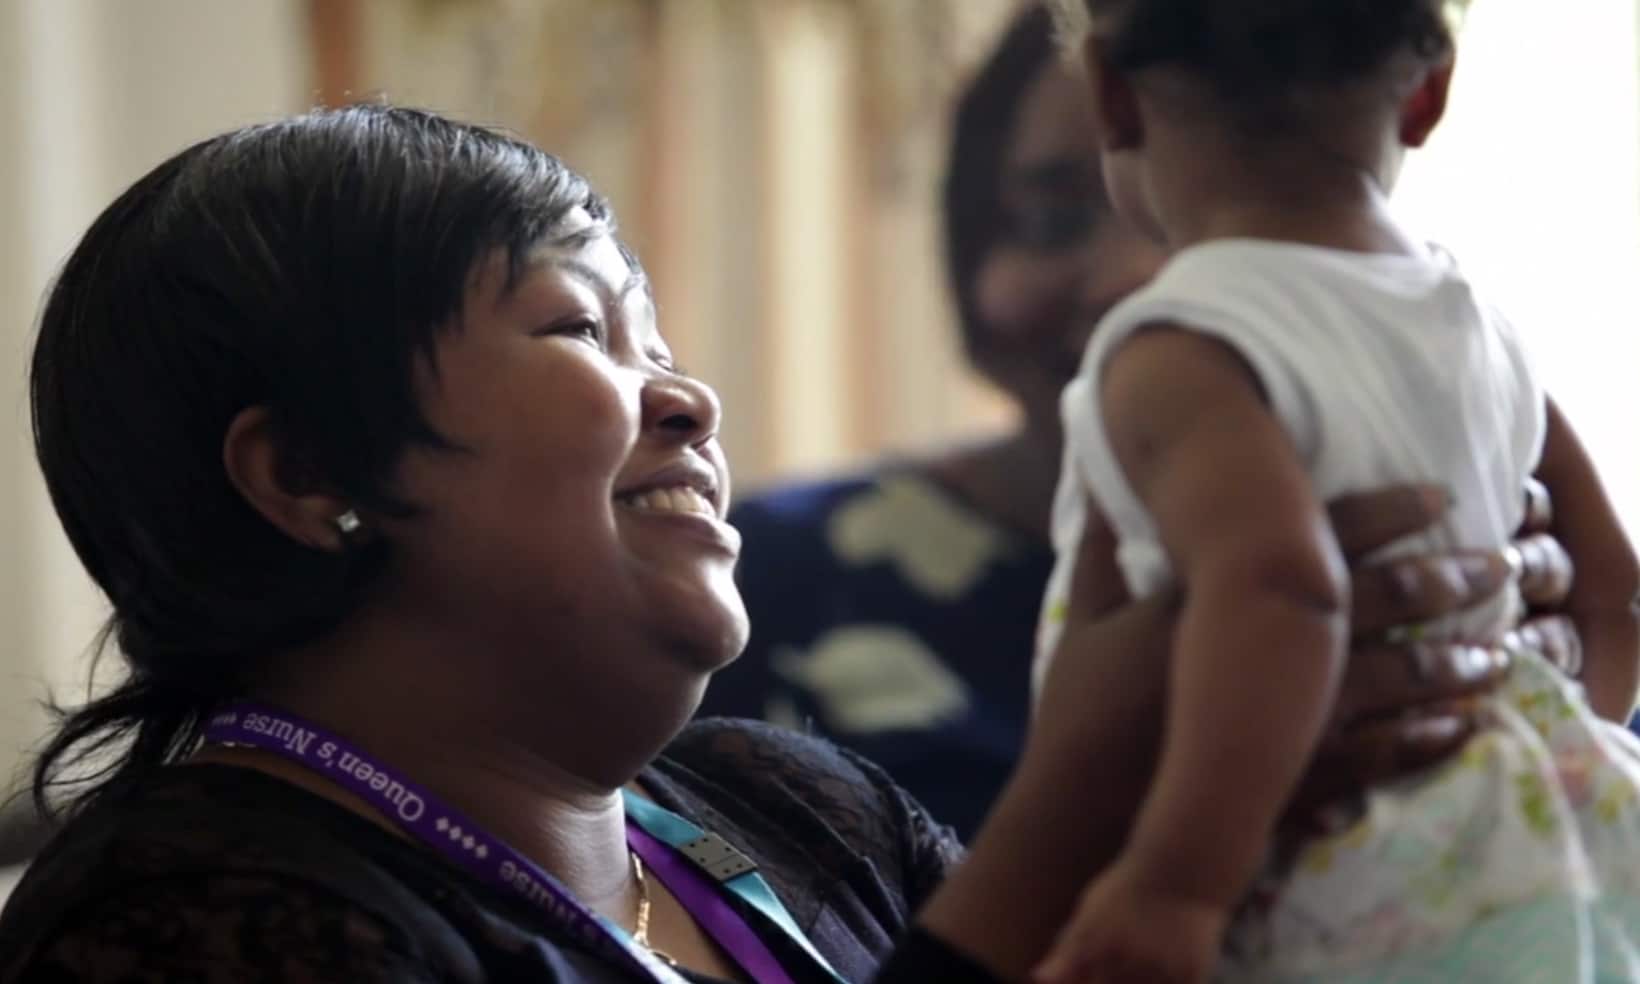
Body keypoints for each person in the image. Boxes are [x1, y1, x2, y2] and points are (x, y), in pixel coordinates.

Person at [0, 105, 1578, 984]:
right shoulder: (178, 924)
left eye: (662, 336)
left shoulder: (795, 809)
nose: (686, 397)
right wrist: (1073, 801)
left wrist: (1323, 769)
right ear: (303, 471)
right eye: (579, 326)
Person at [1030, 1, 1640, 982]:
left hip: (1339, 885)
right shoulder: (1478, 326)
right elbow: (1612, 583)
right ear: (1426, 94)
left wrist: (1175, 885)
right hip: (1558, 865)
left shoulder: (1180, 347)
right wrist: (1562, 758)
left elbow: (1280, 593)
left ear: (1109, 97)